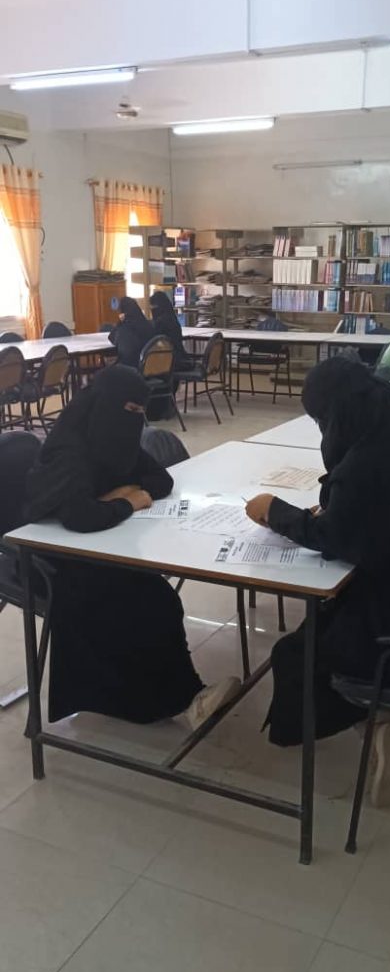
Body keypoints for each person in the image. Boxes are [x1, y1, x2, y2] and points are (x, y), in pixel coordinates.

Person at [245, 357, 390, 806]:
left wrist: (274, 511)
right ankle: (389, 720)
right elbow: (366, 517)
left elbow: (335, 539)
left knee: (295, 653)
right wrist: (337, 509)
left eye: (321, 420)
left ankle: (386, 718)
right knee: (318, 626)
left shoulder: (368, 463)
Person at [25, 365, 239, 729]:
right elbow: (79, 516)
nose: (135, 419)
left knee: (154, 594)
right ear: (105, 403)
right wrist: (128, 503)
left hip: (98, 545)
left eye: (140, 411)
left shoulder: (114, 438)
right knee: (150, 600)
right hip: (56, 561)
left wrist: (121, 494)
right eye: (129, 410)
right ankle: (185, 701)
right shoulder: (69, 448)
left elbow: (161, 479)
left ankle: (176, 694)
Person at [150, 290, 195, 370]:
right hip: (181, 359)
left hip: (170, 362)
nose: (152, 310)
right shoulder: (172, 319)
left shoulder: (160, 322)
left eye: (153, 306)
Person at [109, 296, 153, 368]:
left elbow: (111, 338)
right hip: (147, 366)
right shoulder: (148, 324)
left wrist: (120, 322)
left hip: (128, 368)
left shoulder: (124, 328)